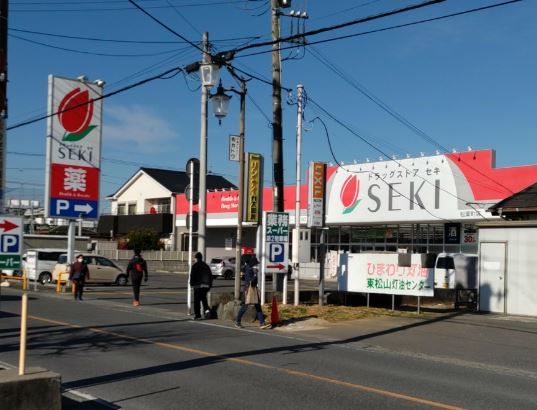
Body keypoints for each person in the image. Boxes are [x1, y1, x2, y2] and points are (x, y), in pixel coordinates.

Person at [235, 257, 271, 329]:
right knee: (245, 306)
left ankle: (262, 323)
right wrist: (255, 275)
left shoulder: (248, 268)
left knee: (257, 306)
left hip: (251, 289)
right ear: (252, 263)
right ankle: (237, 321)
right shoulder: (249, 269)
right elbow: (251, 281)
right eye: (255, 263)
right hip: (249, 289)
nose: (256, 265)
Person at [190, 252, 213, 320]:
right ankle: (207, 310)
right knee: (203, 298)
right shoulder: (206, 266)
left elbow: (192, 276)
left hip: (198, 286)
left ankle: (198, 315)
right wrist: (209, 285)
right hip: (206, 286)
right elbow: (210, 276)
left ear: (196, 258)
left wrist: (191, 284)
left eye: (195, 258)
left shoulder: (195, 266)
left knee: (197, 301)